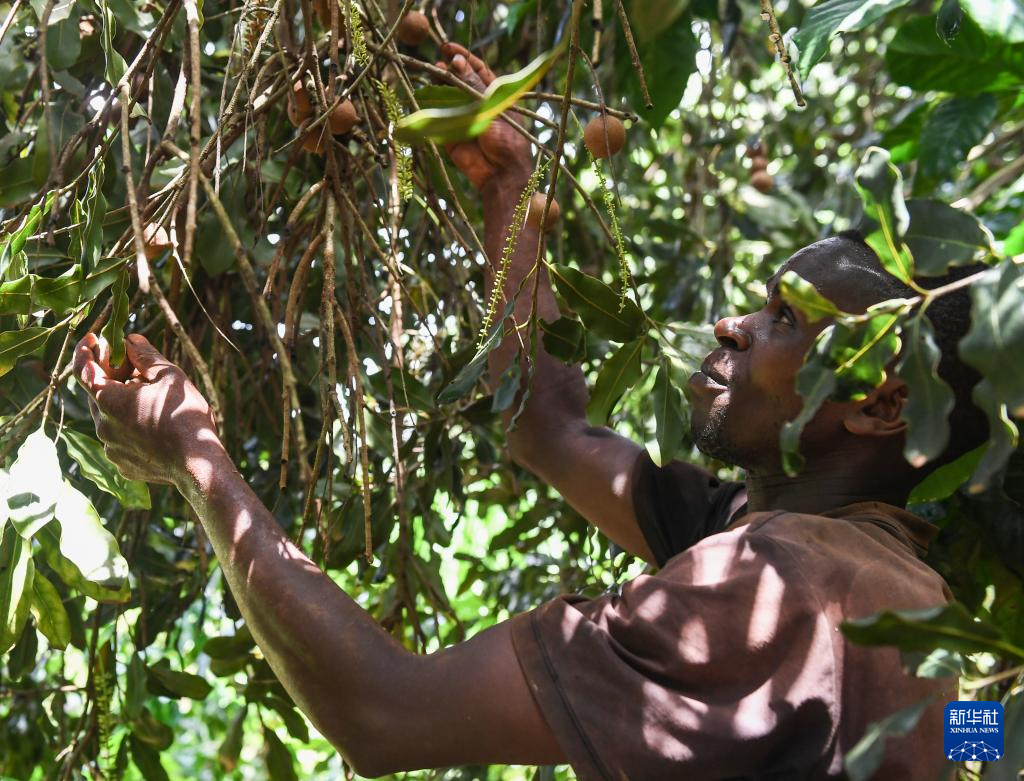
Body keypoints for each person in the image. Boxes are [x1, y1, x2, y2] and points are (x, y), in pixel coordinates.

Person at [73, 44, 981, 780]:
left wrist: (196, 458)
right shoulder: (908, 597)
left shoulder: (777, 579)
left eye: (784, 319)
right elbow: (551, 430)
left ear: (884, 404)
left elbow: (384, 714)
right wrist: (509, 190)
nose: (732, 324)